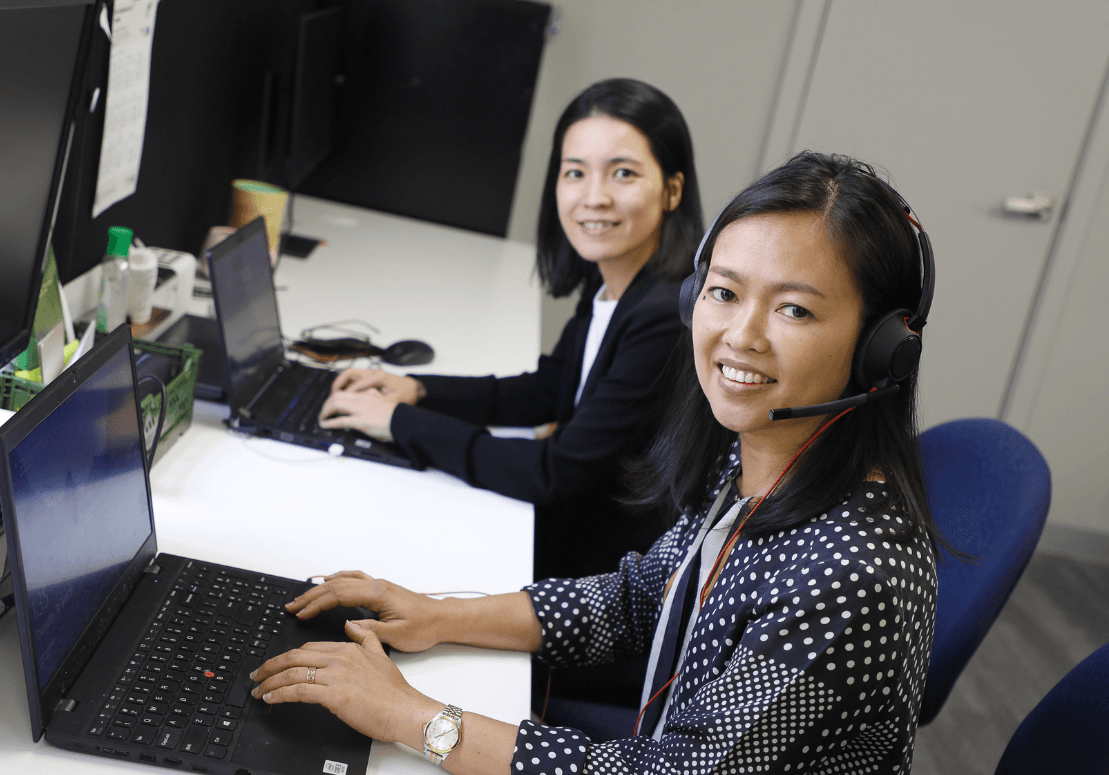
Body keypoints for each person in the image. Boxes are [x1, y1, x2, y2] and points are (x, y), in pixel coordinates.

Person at [257, 152, 942, 774]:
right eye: (723, 292)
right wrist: (436, 613)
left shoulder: (852, 575)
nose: (740, 335)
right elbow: (642, 596)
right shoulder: (756, 457)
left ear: (881, 350)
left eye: (793, 309)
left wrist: (414, 717)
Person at [318, 78, 704, 581]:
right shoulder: (615, 283)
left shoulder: (662, 316)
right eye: (574, 173)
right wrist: (418, 390)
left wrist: (398, 423)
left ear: (672, 189)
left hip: (597, 574)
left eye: (623, 173)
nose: (594, 197)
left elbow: (553, 471)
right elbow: (547, 388)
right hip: (572, 537)